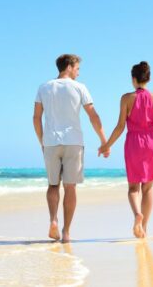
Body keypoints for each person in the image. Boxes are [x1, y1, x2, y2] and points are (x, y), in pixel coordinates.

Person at [33, 54, 109, 243]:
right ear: (68, 66)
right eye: (77, 68)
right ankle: (66, 232)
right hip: (73, 142)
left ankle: (53, 220)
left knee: (52, 185)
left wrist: (42, 141)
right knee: (70, 187)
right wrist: (103, 140)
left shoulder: (44, 87)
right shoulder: (80, 87)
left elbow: (36, 117)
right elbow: (93, 116)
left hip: (51, 142)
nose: (78, 72)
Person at [99, 61, 153, 238]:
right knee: (148, 188)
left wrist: (106, 145)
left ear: (133, 79)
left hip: (134, 143)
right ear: (149, 78)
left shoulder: (126, 98)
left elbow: (119, 127)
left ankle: (137, 214)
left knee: (133, 188)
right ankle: (144, 227)